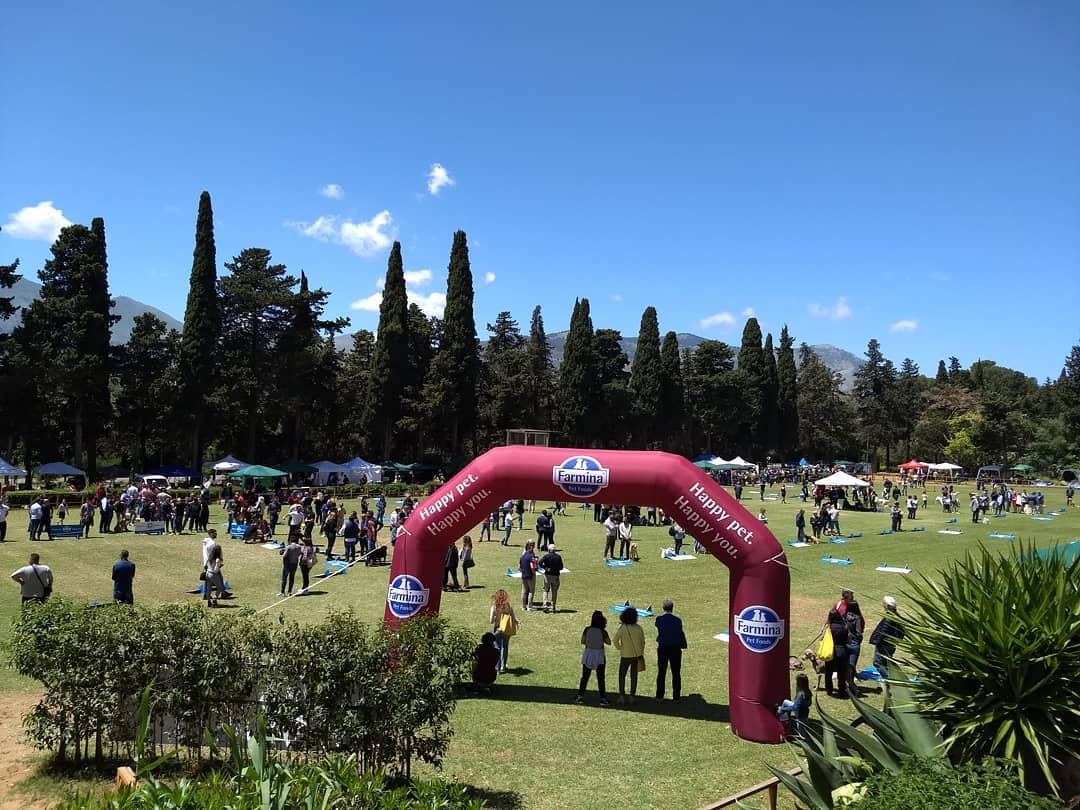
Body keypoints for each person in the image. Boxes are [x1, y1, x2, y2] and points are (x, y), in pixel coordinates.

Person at [575, 610, 611, 706]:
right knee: (600, 678)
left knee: (585, 677)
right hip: (599, 655)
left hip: (588, 653)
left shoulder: (587, 629)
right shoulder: (603, 631)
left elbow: (582, 641)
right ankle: (603, 698)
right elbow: (609, 642)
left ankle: (580, 696)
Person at [613, 605, 646, 704]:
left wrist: (620, 648)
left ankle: (622, 696)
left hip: (625, 655)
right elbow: (643, 642)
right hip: (636, 655)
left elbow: (615, 640)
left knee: (622, 675)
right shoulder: (639, 628)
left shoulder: (623, 628)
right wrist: (640, 652)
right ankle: (632, 696)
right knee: (634, 676)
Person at [654, 599, 685, 701]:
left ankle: (659, 695)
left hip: (663, 648)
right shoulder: (678, 620)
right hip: (675, 648)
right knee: (676, 672)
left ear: (663, 608)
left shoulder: (659, 619)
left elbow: (658, 626)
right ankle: (676, 696)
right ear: (672, 608)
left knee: (661, 672)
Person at [869, 596, 905, 679]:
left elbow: (883, 631)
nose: (883, 605)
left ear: (887, 606)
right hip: (891, 644)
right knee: (887, 663)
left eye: (884, 603)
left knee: (878, 663)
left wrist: (876, 641)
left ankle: (890, 680)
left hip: (884, 644)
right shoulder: (896, 616)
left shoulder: (889, 618)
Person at [489, 589, 518, 673]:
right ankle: (503, 666)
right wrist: (516, 622)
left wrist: (496, 617)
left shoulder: (494, 607)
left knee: (497, 648)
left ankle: (497, 669)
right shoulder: (508, 606)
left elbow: (491, 621)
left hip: (497, 628)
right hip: (506, 629)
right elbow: (513, 616)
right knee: (505, 647)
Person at [824, 607, 849, 698]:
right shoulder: (844, 627)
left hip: (831, 651)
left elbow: (823, 638)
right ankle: (842, 690)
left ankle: (829, 689)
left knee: (828, 672)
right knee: (841, 673)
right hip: (842, 651)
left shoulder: (829, 628)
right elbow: (847, 639)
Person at [778, 673, 812, 739]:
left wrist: (782, 709)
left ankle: (785, 727)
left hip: (800, 714)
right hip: (805, 712)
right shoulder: (808, 691)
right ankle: (785, 722)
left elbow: (794, 707)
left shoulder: (800, 694)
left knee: (803, 736)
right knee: (785, 702)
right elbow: (809, 703)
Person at [843, 600, 865, 696]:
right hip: (854, 644)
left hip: (845, 643)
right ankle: (852, 686)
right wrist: (859, 640)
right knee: (852, 666)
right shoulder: (857, 618)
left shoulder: (844, 617)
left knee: (846, 666)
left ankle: (847, 685)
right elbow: (859, 632)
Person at [539, 544, 564, 612]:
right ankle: (553, 606)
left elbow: (540, 563)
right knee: (554, 591)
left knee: (545, 590)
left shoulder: (546, 556)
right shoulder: (558, 557)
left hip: (547, 575)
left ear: (549, 550)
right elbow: (561, 567)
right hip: (555, 576)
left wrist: (545, 568)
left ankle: (545, 605)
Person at [204, 541, 224, 608]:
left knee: (209, 588)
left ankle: (209, 601)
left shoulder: (209, 557)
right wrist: (220, 566)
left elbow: (206, 565)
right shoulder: (217, 559)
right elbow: (215, 569)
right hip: (213, 574)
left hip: (208, 573)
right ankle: (214, 600)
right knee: (220, 588)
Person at [519, 540, 537, 610]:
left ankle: (523, 606)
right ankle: (529, 606)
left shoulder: (523, 556)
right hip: (530, 576)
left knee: (524, 591)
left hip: (524, 576)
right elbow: (532, 566)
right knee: (531, 591)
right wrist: (533, 573)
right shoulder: (531, 556)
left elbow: (519, 568)